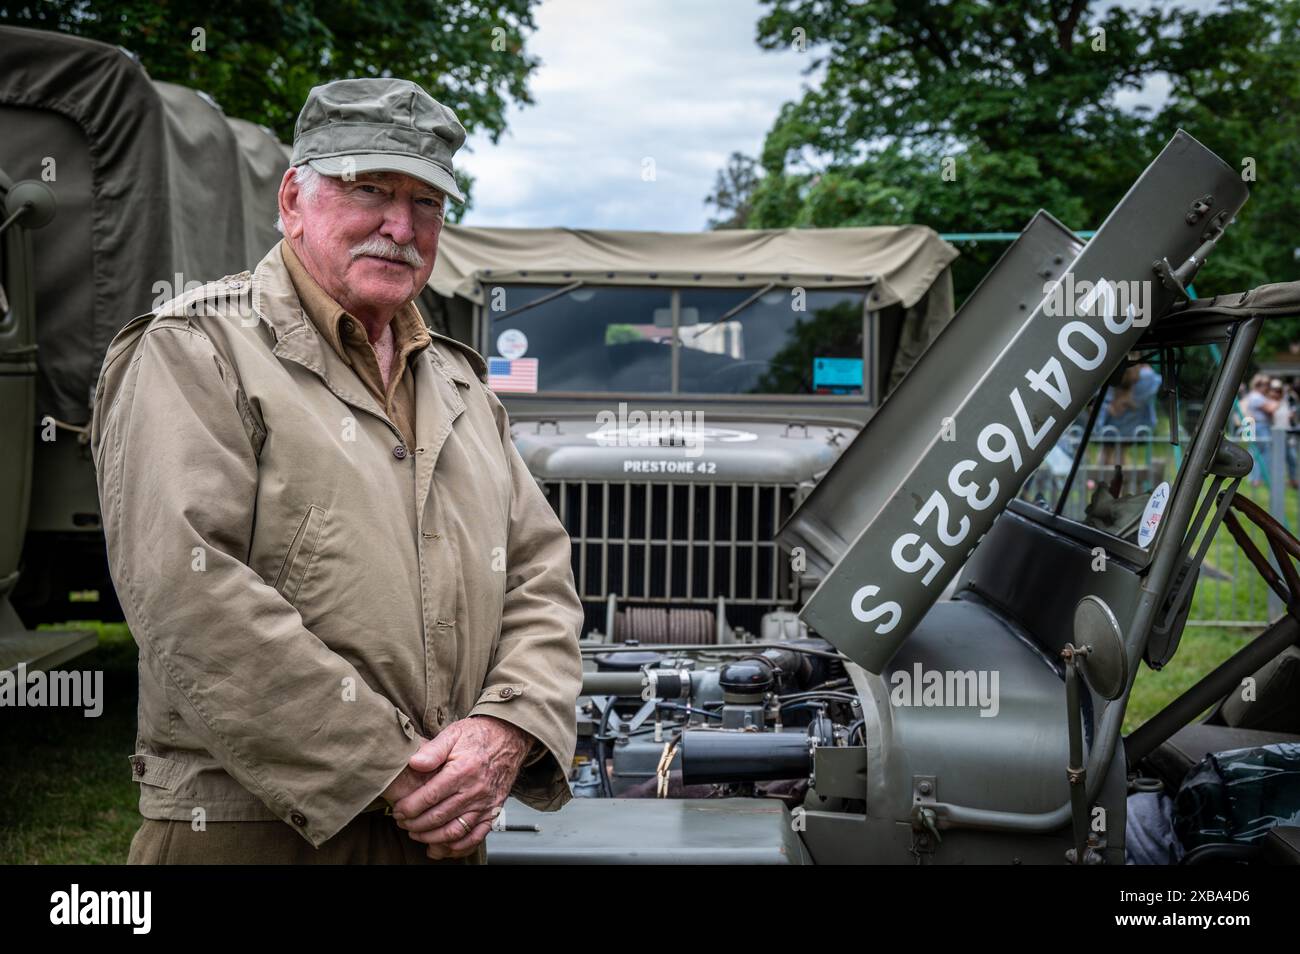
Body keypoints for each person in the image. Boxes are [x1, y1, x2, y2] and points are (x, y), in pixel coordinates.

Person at [90, 78, 584, 864]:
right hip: (255, 828)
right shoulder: (197, 350)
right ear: (293, 198)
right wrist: (389, 766)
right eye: (370, 189)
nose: (400, 225)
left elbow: (539, 575)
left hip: (445, 833)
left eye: (427, 202)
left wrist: (505, 729)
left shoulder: (460, 384)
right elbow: (187, 590)